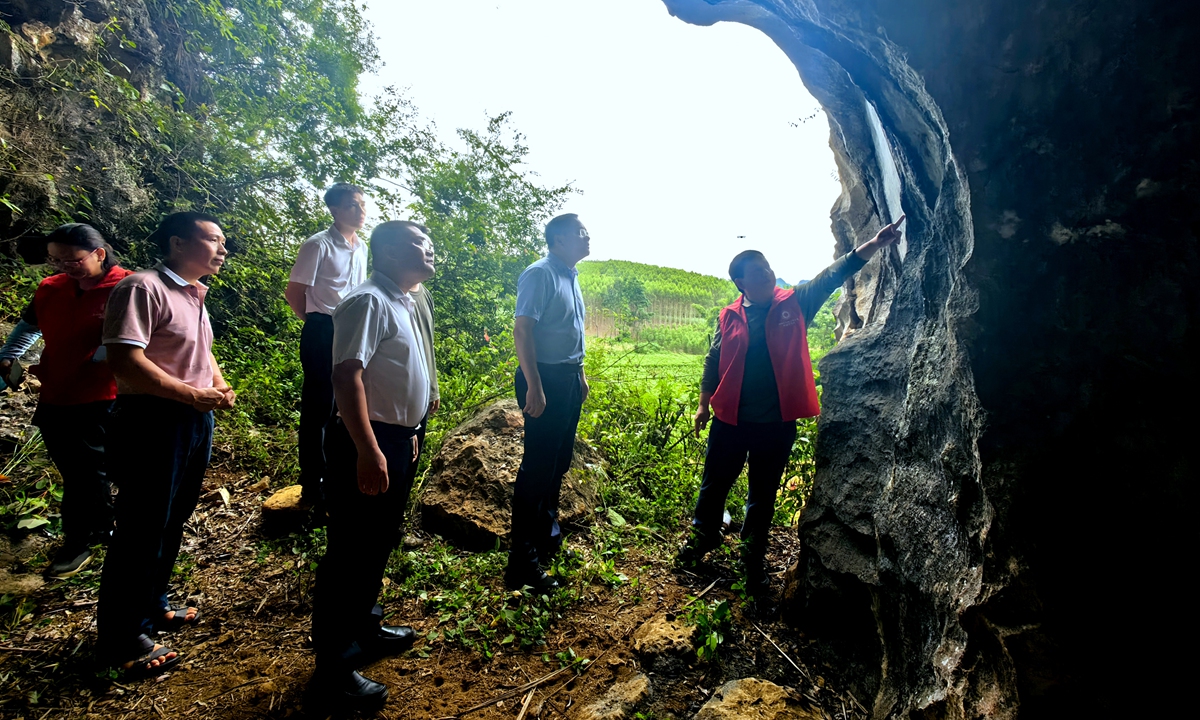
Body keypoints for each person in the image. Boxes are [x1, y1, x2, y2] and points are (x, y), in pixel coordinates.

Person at [678, 216, 907, 599]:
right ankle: (702, 539)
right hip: (729, 421)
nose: (767, 274)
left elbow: (831, 275)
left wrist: (873, 244)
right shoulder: (729, 315)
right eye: (757, 271)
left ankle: (751, 561)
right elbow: (713, 361)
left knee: (762, 496)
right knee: (714, 486)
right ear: (741, 282)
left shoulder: (795, 302)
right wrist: (704, 405)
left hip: (775, 424)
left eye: (768, 267)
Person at [96, 211, 236, 676]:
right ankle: (121, 636)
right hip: (152, 420)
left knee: (171, 518)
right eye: (213, 240)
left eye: (222, 242)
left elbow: (201, 351)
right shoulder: (142, 288)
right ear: (178, 243)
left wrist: (217, 384)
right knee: (141, 526)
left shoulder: (195, 295)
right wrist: (193, 394)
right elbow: (126, 360)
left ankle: (153, 604)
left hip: (193, 420)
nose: (222, 249)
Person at [309, 221, 434, 711]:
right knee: (349, 555)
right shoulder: (368, 300)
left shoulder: (404, 300)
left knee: (377, 542)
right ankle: (333, 672)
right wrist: (368, 448)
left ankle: (366, 627)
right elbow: (346, 375)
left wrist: (410, 433)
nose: (429, 252)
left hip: (395, 439)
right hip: (369, 440)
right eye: (420, 245)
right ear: (390, 251)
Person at [0, 224, 133, 578]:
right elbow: (29, 326)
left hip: (106, 397)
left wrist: (103, 357)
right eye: (55, 260)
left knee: (91, 471)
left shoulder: (129, 287)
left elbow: (148, 336)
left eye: (71, 260)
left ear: (99, 254)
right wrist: (9, 357)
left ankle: (85, 538)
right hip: (57, 394)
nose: (63, 268)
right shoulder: (51, 288)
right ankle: (99, 529)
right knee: (78, 471)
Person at [506, 213, 591, 591]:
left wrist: (581, 375)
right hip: (545, 379)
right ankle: (521, 561)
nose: (587, 237)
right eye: (579, 233)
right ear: (557, 240)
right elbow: (523, 330)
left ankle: (546, 537)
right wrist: (534, 386)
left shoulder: (570, 275)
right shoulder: (539, 273)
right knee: (537, 467)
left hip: (569, 378)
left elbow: (571, 332)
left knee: (559, 461)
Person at [285, 183, 369, 507]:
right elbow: (294, 292)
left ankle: (336, 479)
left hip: (351, 330)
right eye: (353, 206)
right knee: (318, 408)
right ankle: (311, 486)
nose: (360, 211)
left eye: (362, 205)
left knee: (345, 406)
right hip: (322, 327)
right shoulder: (317, 245)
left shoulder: (361, 247)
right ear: (335, 210)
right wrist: (316, 323)